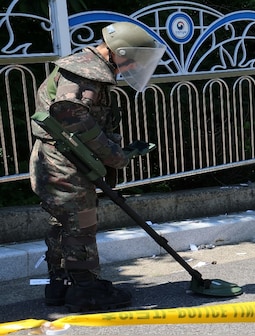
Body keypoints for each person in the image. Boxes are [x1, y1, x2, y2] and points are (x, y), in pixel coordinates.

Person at [29, 21, 165, 312]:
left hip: (60, 158)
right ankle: (85, 291)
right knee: (80, 223)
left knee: (63, 222)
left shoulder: (90, 68)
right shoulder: (84, 73)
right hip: (63, 161)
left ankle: (61, 284)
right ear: (120, 52)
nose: (133, 68)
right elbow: (70, 114)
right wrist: (113, 154)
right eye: (133, 61)